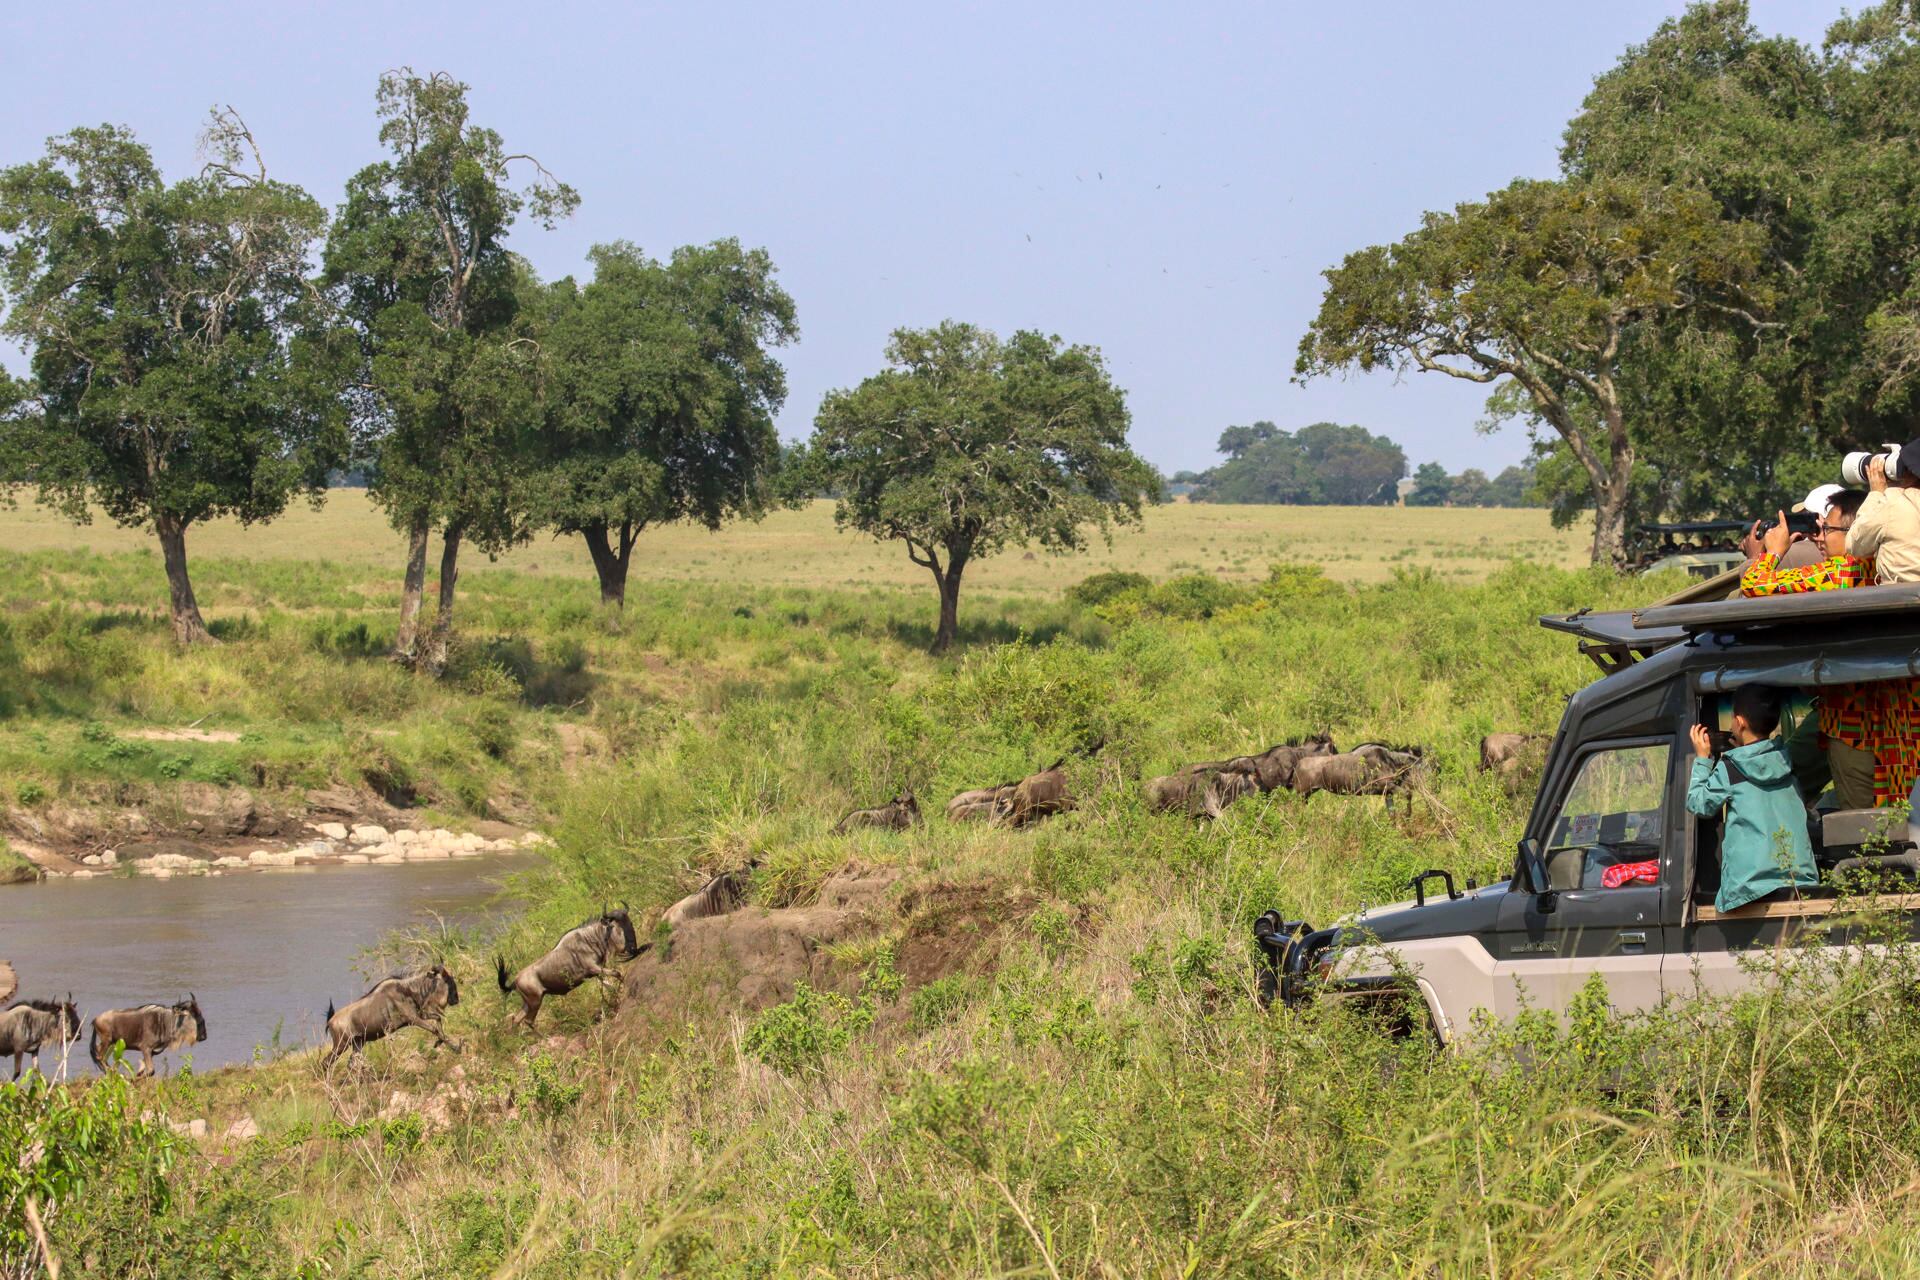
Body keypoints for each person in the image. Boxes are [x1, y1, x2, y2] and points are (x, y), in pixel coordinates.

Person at [1739, 490, 1882, 808]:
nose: (1821, 535)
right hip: (1884, 722)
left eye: (1828, 529)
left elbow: (1754, 585)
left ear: (1855, 533)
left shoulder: (1843, 572)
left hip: (1853, 726)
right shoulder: (1885, 567)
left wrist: (1772, 551)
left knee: (1867, 827)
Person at [1687, 686, 1821, 912]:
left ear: (1739, 722)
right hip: (1798, 882)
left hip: (1749, 888)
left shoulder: (1729, 769)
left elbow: (1699, 804)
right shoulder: (1786, 762)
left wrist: (1702, 759)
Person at [1847, 441, 1920, 583]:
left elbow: (1854, 544)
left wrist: (1876, 493)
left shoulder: (1892, 503)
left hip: (1904, 600)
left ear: (1908, 472)